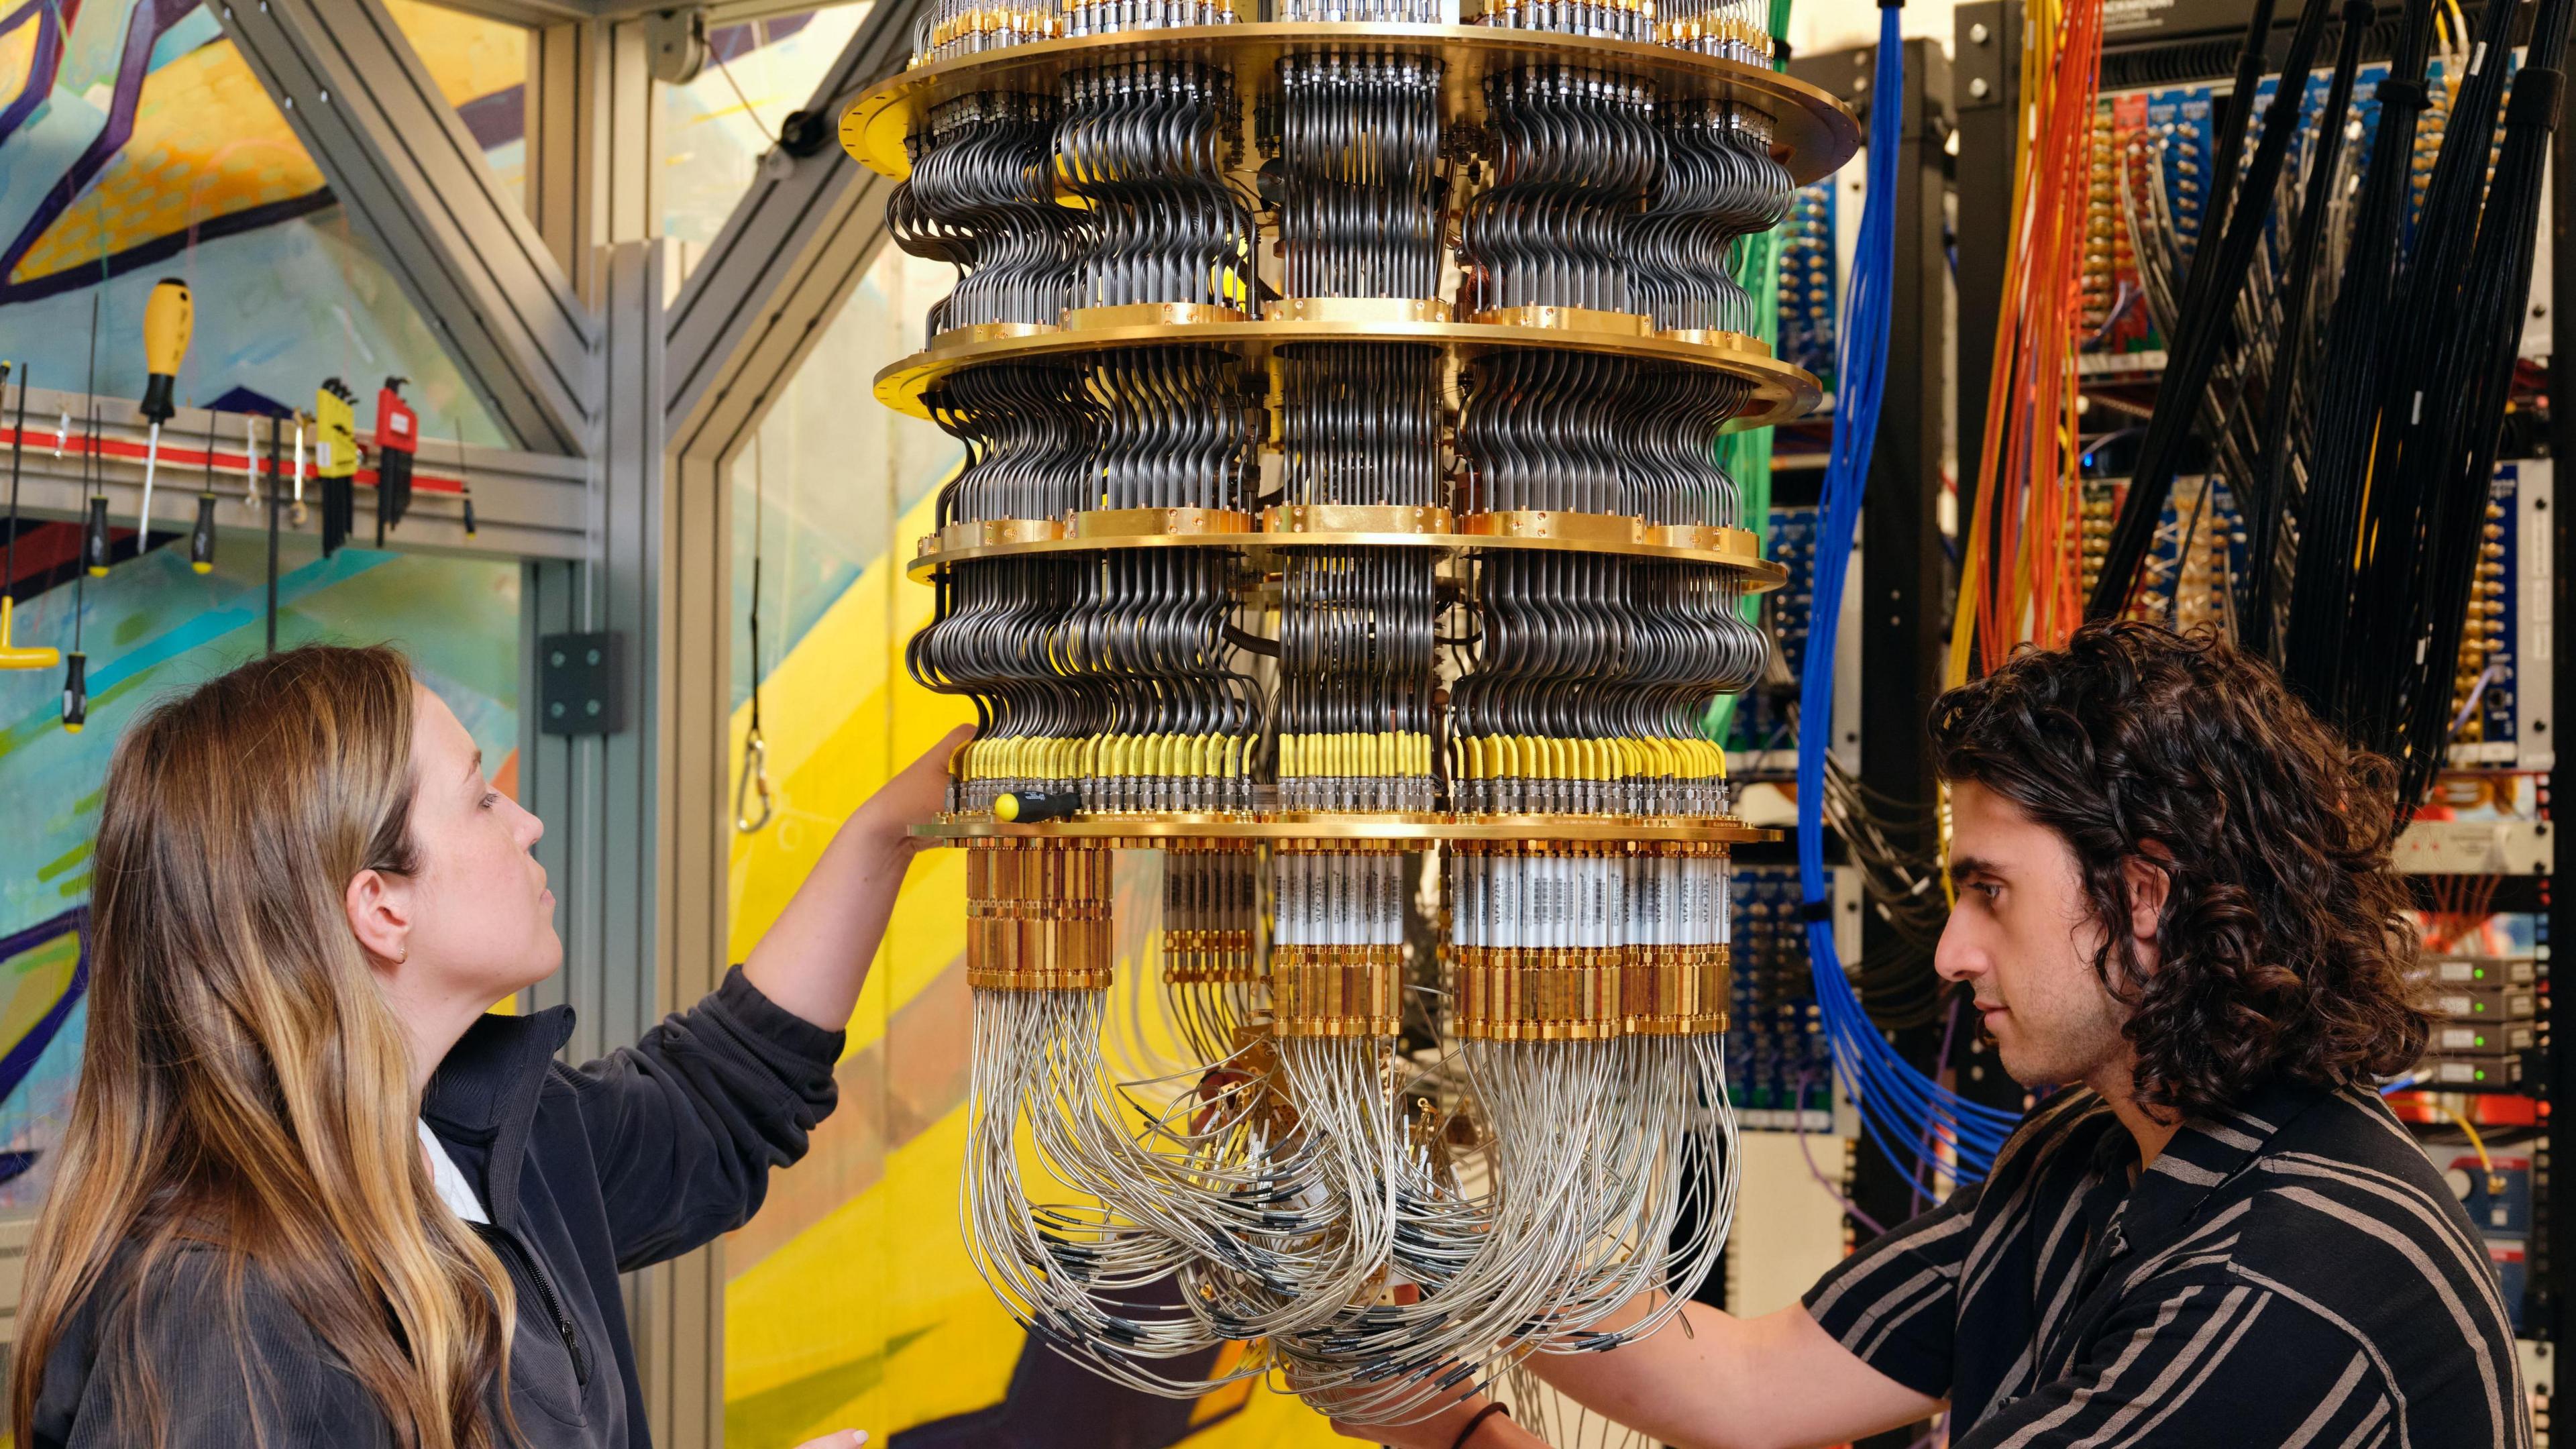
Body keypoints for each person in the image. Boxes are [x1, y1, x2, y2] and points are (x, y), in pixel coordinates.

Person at [1338, 621, 2524, 1449]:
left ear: (2147, 897)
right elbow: (1746, 1382)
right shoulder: (2086, 1158)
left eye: (1990, 891)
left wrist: (1457, 1432)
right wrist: (1406, 1240)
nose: (1952, 954)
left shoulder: (2289, 1283)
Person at [11, 643, 971, 1449]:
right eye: (480, 800)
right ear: (380, 907)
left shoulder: (484, 1138)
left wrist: (885, 836)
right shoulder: (225, 1314)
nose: (528, 822)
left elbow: (713, 1105)